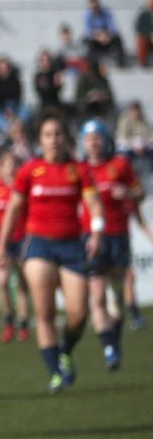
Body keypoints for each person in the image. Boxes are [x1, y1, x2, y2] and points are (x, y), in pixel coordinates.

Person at [0, 112, 104, 394]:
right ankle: (55, 371)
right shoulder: (30, 170)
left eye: (57, 134)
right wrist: (2, 245)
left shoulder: (78, 169)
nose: (53, 140)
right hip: (39, 245)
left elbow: (94, 204)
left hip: (71, 245)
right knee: (43, 313)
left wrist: (97, 232)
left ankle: (66, 350)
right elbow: (13, 210)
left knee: (79, 314)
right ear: (40, 140)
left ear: (65, 138)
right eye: (47, 135)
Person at [80, 119, 146, 370]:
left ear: (105, 140)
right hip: (91, 237)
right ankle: (109, 350)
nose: (93, 143)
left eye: (97, 137)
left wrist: (128, 194)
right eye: (88, 139)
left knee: (116, 300)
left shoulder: (120, 165)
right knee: (96, 296)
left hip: (118, 235)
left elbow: (140, 192)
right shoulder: (80, 169)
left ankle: (113, 340)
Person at [0, 151, 30, 344]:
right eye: (6, 164)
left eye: (13, 164)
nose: (10, 168)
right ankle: (8, 322)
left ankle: (23, 323)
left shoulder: (23, 189)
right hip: (1, 241)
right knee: (2, 282)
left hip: (22, 239)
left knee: (21, 283)